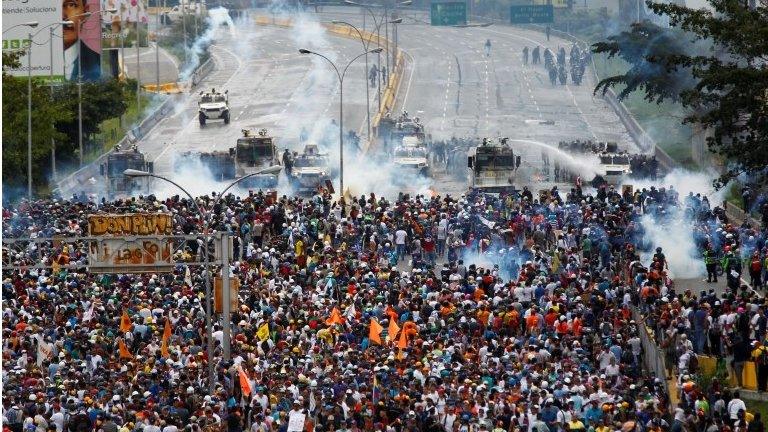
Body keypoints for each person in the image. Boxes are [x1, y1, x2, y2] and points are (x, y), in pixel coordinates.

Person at [63, 0, 101, 81]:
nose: (62, 16)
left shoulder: (101, 66)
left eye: (71, 5)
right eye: (53, 9)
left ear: (85, 13)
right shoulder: (34, 62)